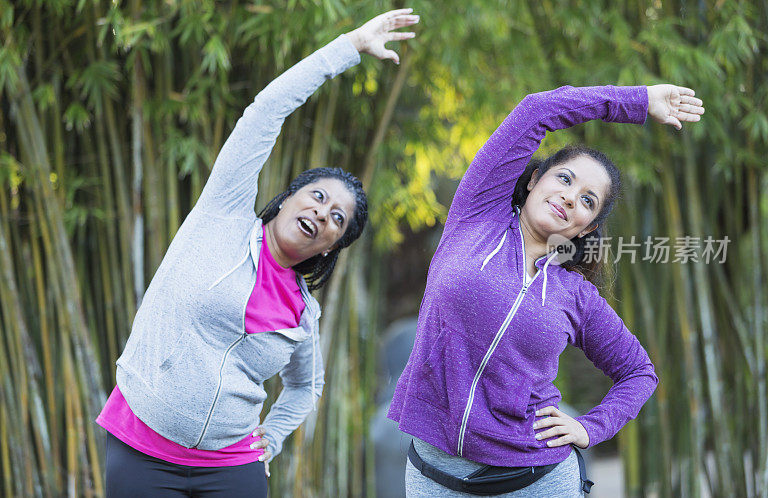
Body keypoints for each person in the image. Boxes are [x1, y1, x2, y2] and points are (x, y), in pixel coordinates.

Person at [96, 9, 419, 497]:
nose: (324, 213)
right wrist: (349, 47)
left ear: (333, 245)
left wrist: (267, 442)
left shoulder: (301, 313)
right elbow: (267, 109)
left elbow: (305, 387)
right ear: (288, 196)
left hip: (232, 469)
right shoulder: (221, 217)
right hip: (144, 451)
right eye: (317, 196)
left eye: (338, 219)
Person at [389, 84, 704, 497]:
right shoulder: (477, 217)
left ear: (587, 227)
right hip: (436, 477)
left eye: (588, 201)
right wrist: (638, 101)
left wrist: (590, 428)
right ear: (536, 179)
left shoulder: (576, 294)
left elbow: (639, 373)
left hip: (536, 479)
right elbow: (538, 110)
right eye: (565, 178)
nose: (570, 197)